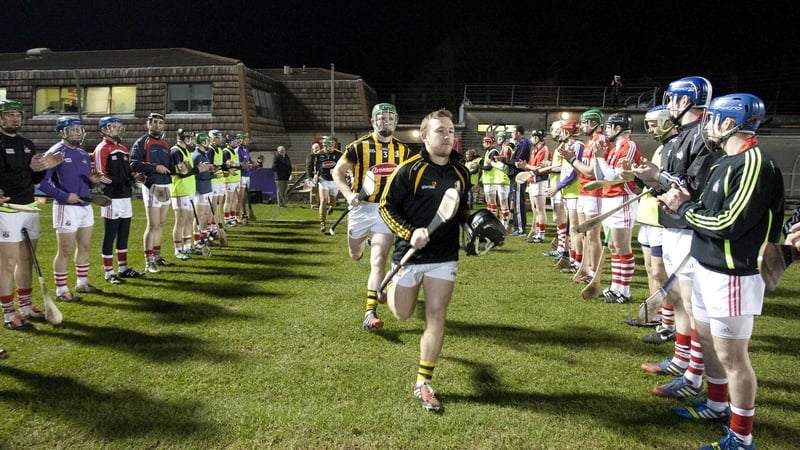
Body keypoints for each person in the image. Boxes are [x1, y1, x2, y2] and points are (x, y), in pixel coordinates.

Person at [658, 93, 780, 450]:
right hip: (707, 265)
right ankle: (715, 405)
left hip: (734, 273)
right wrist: (686, 202)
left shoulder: (754, 163)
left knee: (733, 357)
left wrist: (683, 209)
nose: (708, 125)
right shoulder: (725, 161)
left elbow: (728, 223)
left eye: (713, 118)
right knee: (707, 340)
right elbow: (706, 209)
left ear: (730, 122)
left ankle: (741, 437)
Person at [378, 108, 470, 412]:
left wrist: (474, 227)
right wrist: (410, 232)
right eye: (440, 131)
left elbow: (461, 209)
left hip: (444, 256)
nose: (447, 136)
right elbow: (385, 207)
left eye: (450, 131)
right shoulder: (408, 170)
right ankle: (388, 286)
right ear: (425, 135)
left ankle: (423, 381)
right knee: (402, 314)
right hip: (410, 255)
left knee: (437, 314)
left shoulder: (461, 172)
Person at [633, 76, 716, 400]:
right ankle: (681, 360)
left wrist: (659, 177)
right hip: (671, 225)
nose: (668, 105)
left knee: (693, 305)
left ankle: (694, 375)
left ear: (685, 100)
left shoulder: (703, 135)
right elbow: (668, 186)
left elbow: (691, 186)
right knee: (679, 298)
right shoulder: (681, 135)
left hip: (688, 228)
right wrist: (649, 180)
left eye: (672, 99)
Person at [332, 103, 411, 330]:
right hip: (361, 209)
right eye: (382, 118)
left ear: (395, 122)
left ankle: (370, 313)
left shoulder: (404, 151)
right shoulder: (358, 147)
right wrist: (348, 195)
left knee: (378, 261)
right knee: (355, 255)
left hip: (385, 209)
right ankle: (364, 241)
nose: (386, 122)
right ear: (373, 122)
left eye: (390, 118)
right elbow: (337, 172)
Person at [0, 99, 64, 329]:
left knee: (27, 260)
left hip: (29, 206)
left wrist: (42, 169)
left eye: (18, 115)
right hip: (7, 208)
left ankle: (25, 307)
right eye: (9, 115)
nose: (15, 118)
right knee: (7, 263)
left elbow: (32, 178)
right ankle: (9, 315)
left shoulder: (27, 144)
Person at [39, 116, 106, 301]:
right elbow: (42, 183)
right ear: (62, 132)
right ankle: (61, 290)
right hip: (66, 207)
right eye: (73, 130)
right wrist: (64, 196)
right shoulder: (55, 152)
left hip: (85, 205)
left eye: (79, 129)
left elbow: (86, 183)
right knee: (65, 250)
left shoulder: (83, 154)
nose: (77, 133)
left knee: (84, 246)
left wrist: (92, 182)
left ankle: (82, 283)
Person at [593, 112, 641, 304]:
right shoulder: (614, 149)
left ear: (619, 128)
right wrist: (598, 157)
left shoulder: (629, 146)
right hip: (609, 197)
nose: (606, 130)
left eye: (609, 127)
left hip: (622, 199)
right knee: (613, 246)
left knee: (622, 247)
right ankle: (615, 287)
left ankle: (624, 291)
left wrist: (600, 158)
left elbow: (615, 176)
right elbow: (602, 176)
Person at [92, 116, 144, 284]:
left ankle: (123, 268)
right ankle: (109, 272)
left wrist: (134, 177)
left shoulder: (123, 148)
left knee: (124, 233)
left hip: (125, 196)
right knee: (110, 234)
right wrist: (118, 182)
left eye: (119, 126)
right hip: (111, 197)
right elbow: (101, 175)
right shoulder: (101, 148)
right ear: (104, 130)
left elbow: (128, 171)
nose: (118, 129)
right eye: (114, 126)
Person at [130, 113, 175, 273]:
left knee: (161, 224)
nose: (157, 125)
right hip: (151, 186)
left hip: (166, 185)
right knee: (153, 225)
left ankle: (157, 256)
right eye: (154, 122)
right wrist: (155, 168)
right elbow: (133, 163)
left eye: (160, 123)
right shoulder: (142, 142)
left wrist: (184, 168)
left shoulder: (165, 144)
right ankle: (148, 261)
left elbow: (169, 167)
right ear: (148, 124)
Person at [170, 129, 201, 259]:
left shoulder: (186, 151)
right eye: (189, 138)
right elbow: (182, 172)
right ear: (182, 138)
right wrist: (198, 169)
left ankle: (188, 246)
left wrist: (195, 169)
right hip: (180, 190)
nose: (191, 140)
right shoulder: (175, 151)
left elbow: (188, 170)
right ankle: (178, 250)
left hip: (189, 189)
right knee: (180, 221)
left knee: (188, 219)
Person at [519, 129, 550, 243]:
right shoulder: (535, 150)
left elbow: (540, 169)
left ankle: (541, 235)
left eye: (533, 136)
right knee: (535, 209)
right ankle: (536, 232)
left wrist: (526, 166)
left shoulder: (544, 150)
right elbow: (533, 167)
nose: (531, 139)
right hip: (533, 181)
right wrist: (525, 166)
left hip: (540, 181)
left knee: (540, 209)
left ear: (538, 138)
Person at [192, 133, 217, 247]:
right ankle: (197, 240)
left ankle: (205, 237)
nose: (209, 142)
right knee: (200, 215)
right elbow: (200, 175)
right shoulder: (197, 155)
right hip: (201, 188)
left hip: (207, 187)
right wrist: (213, 175)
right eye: (207, 140)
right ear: (202, 142)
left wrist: (211, 170)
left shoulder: (204, 154)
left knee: (206, 214)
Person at [313, 136, 342, 233]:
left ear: (333, 145)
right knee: (323, 200)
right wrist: (315, 175)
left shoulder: (339, 154)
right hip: (323, 180)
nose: (327, 147)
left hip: (335, 180)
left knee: (332, 201)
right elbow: (315, 166)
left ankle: (332, 207)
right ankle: (322, 223)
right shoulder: (319, 154)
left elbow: (344, 165)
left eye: (329, 145)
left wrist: (337, 170)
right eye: (325, 145)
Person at [508, 125, 532, 236]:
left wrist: (504, 160)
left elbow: (518, 161)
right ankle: (518, 227)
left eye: (513, 132)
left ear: (518, 133)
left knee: (518, 203)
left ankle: (521, 229)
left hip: (519, 176)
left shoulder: (523, 143)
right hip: (516, 176)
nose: (511, 134)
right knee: (516, 202)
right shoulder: (520, 143)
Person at [222, 135, 242, 226]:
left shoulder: (234, 151)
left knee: (235, 200)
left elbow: (235, 164)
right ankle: (227, 219)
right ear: (229, 142)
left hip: (236, 178)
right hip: (230, 179)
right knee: (229, 199)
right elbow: (228, 165)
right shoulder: (226, 152)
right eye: (234, 141)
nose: (236, 143)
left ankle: (233, 217)